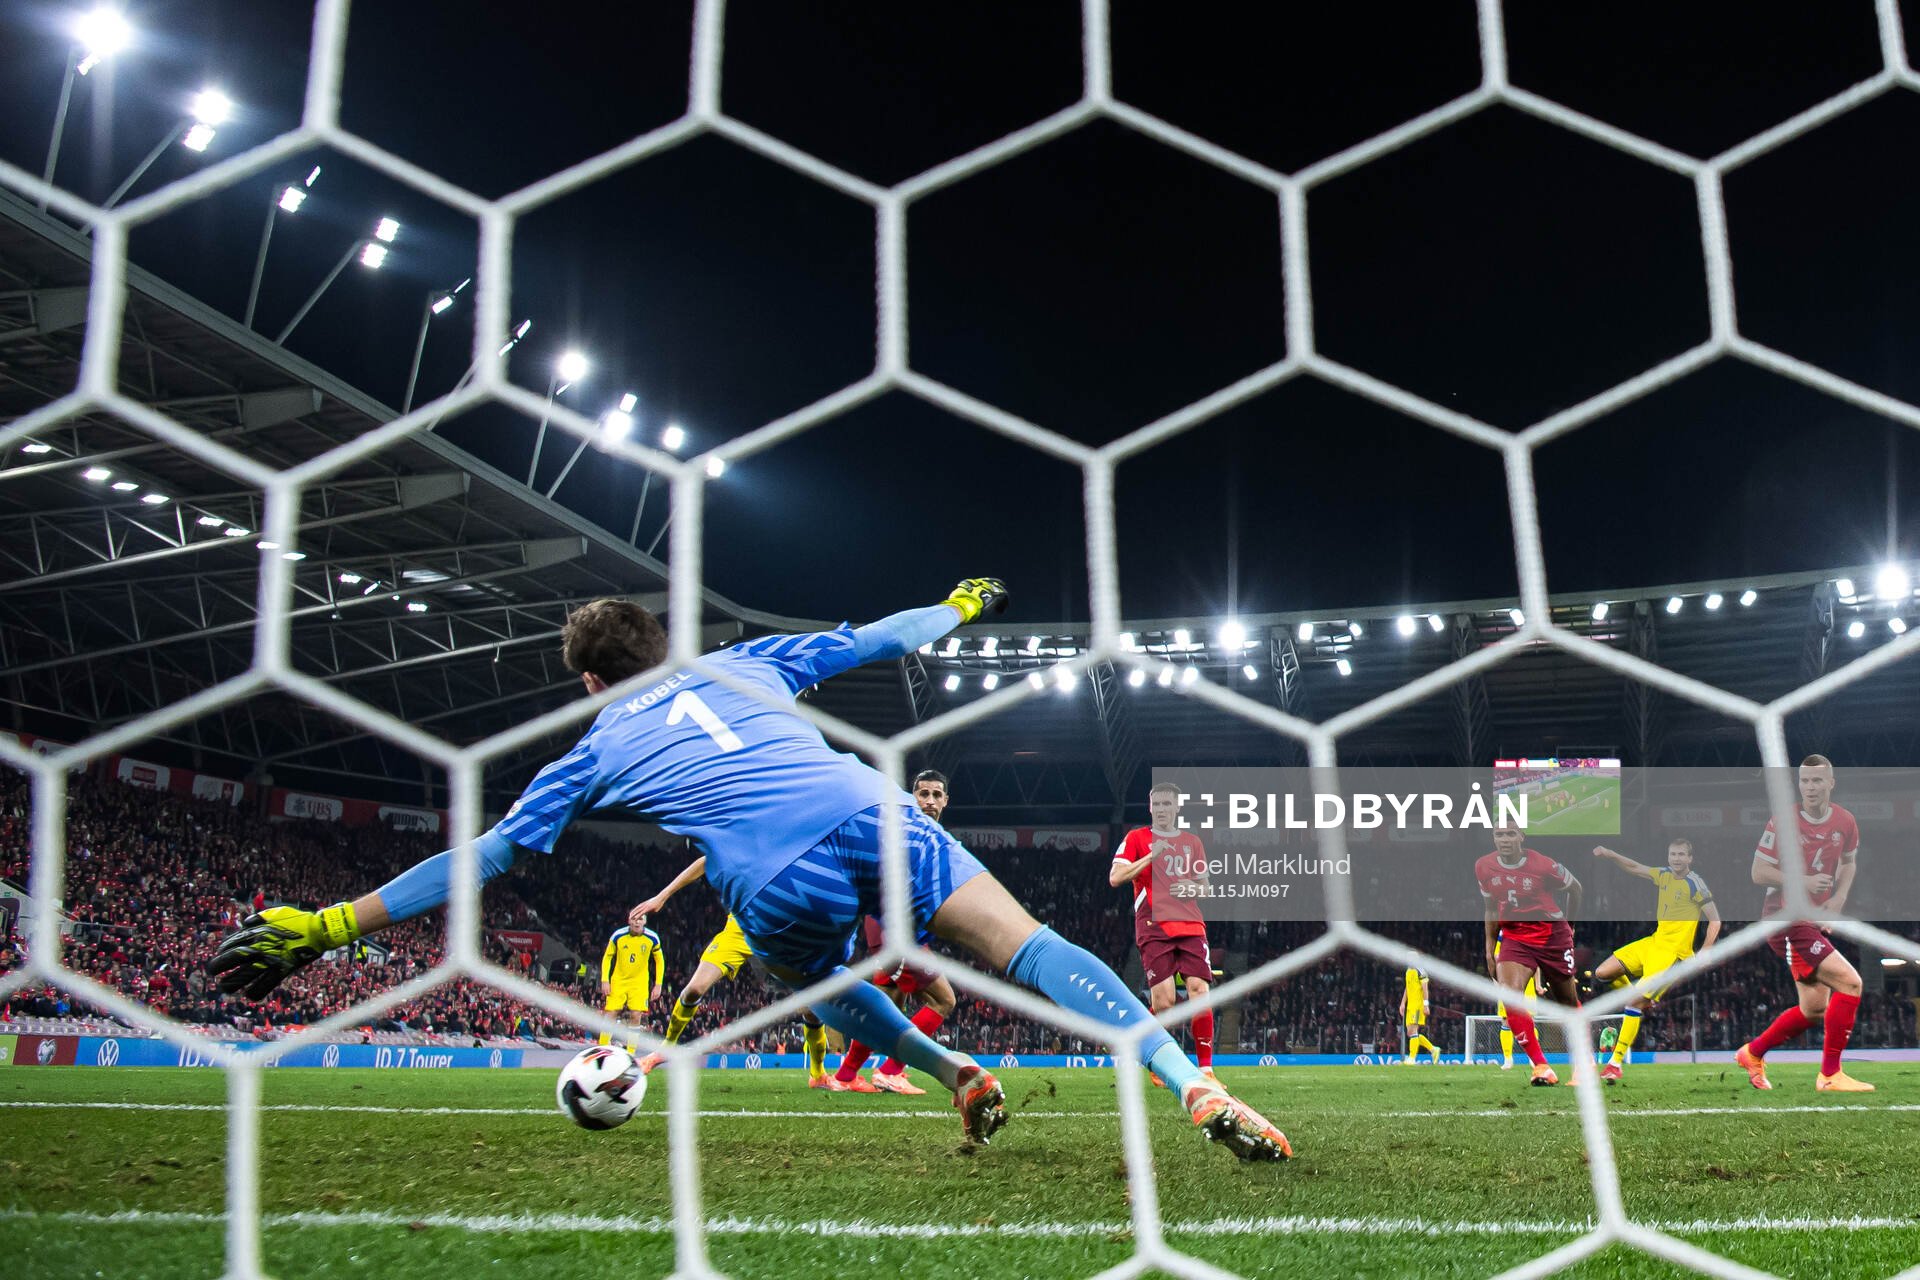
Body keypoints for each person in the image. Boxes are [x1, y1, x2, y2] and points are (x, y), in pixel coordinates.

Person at [209, 580, 1289, 1158]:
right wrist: (956, 607)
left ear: (593, 678)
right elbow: (879, 639)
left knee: (813, 981)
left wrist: (335, 923)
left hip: (771, 874)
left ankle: (951, 1071)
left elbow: (486, 855)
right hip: (869, 809)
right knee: (1031, 944)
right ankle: (1191, 1083)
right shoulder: (738, 660)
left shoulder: (593, 744)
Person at [1735, 755, 1871, 1093]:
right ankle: (1829, 1075)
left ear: (1830, 783)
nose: (1810, 787)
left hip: (1809, 920)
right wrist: (1804, 882)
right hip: (1784, 919)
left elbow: (1849, 863)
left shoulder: (1845, 821)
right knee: (1850, 984)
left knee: (1814, 1010)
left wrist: (1836, 901)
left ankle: (1752, 1053)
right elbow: (1757, 873)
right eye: (1804, 781)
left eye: (1816, 781)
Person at [632, 867, 832, 1087]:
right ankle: (664, 1050)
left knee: (810, 1009)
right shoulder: (746, 840)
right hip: (740, 929)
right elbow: (705, 861)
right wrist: (662, 896)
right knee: (694, 989)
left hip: (782, 932)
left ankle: (817, 1073)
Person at [832, 769, 962, 1095]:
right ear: (912, 796)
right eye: (923, 793)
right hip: (897, 931)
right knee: (943, 1000)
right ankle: (892, 1070)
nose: (930, 800)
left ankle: (846, 1075)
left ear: (946, 801)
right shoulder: (909, 834)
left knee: (887, 1006)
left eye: (936, 794)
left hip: (889, 929)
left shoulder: (921, 833)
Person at [1588, 839, 1721, 1083]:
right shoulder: (1664, 875)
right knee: (1602, 972)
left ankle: (1615, 1062)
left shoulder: (1695, 883)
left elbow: (1715, 920)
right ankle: (1640, 1001)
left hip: (1673, 955)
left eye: (1681, 854)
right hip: (1653, 943)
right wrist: (1609, 853)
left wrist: (1706, 950)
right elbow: (1635, 867)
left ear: (1690, 858)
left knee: (1632, 1001)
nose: (1676, 858)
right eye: (1673, 854)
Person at [1110, 782, 1215, 1076]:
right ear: (1150, 807)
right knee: (1166, 1001)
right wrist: (1150, 856)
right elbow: (1115, 877)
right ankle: (1155, 1055)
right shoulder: (1137, 837)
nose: (1162, 810)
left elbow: (1205, 889)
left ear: (1177, 807)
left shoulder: (1192, 842)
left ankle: (1206, 1070)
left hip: (1191, 924)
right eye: (1157, 805)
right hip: (1153, 925)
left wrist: (1190, 887)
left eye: (1168, 804)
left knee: (1199, 991)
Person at [1477, 822, 1583, 1087]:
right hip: (1514, 936)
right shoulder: (1483, 867)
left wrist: (1571, 925)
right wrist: (1490, 948)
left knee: (1567, 1002)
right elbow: (1490, 908)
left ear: (1521, 836)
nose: (1505, 839)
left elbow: (1576, 889)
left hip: (1551, 936)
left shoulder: (1543, 865)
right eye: (1499, 834)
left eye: (1511, 833)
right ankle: (1541, 1066)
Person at [597, 907, 663, 1052]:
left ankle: (631, 1053)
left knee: (636, 1014)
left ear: (645, 921)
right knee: (611, 1013)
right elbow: (607, 957)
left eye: (640, 919)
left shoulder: (652, 938)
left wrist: (658, 984)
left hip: (639, 982)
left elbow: (660, 961)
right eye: (634, 918)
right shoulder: (618, 936)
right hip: (619, 980)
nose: (637, 922)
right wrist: (604, 980)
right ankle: (602, 1050)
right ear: (629, 920)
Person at [1398, 967, 1439, 1064]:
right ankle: (1433, 1049)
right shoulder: (1408, 971)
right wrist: (1403, 1003)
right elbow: (1408, 987)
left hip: (1417, 1006)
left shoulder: (1420, 971)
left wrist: (1426, 1005)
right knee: (1410, 1033)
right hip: (1410, 1006)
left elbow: (1425, 988)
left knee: (1413, 1031)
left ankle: (1412, 1058)